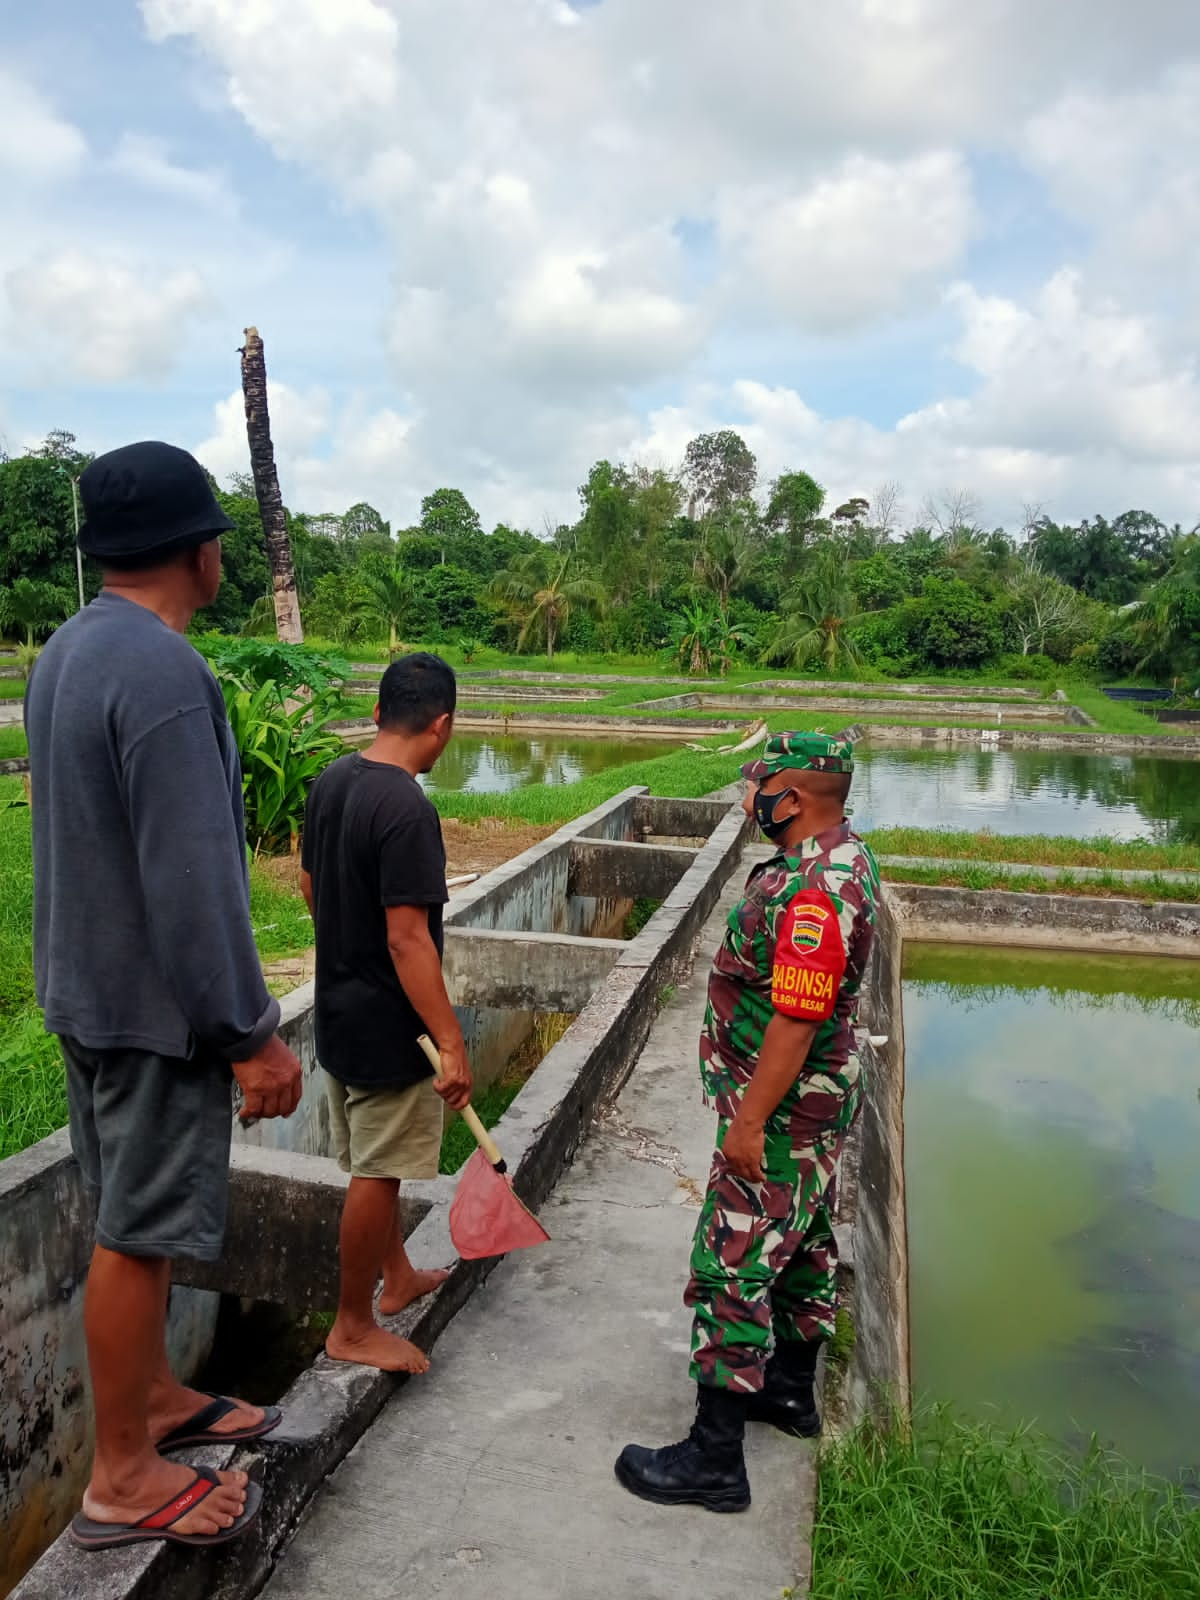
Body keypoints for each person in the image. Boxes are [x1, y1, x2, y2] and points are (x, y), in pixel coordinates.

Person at [25, 440, 304, 1552]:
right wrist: (250, 1032)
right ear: (201, 548)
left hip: (85, 992)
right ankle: (124, 1476)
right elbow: (192, 880)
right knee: (137, 1236)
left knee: (119, 1216)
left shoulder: (69, 650)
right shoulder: (165, 675)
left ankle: (156, 1406)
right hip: (154, 1013)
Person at [615, 732, 880, 1512]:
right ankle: (790, 1395)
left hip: (785, 1109)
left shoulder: (813, 891)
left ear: (792, 799)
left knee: (732, 1263)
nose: (748, 800)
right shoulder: (842, 859)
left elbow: (796, 1020)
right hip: (816, 1107)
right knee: (801, 1246)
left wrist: (749, 1122)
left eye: (758, 788)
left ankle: (713, 1458)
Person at [301, 652, 472, 1374]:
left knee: (376, 1165)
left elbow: (311, 886)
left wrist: (348, 954)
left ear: (377, 713)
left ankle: (398, 1277)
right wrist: (451, 1040)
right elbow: (409, 939)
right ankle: (351, 1324)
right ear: (441, 725)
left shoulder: (334, 779)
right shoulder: (406, 807)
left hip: (337, 1010)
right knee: (377, 1173)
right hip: (388, 1028)